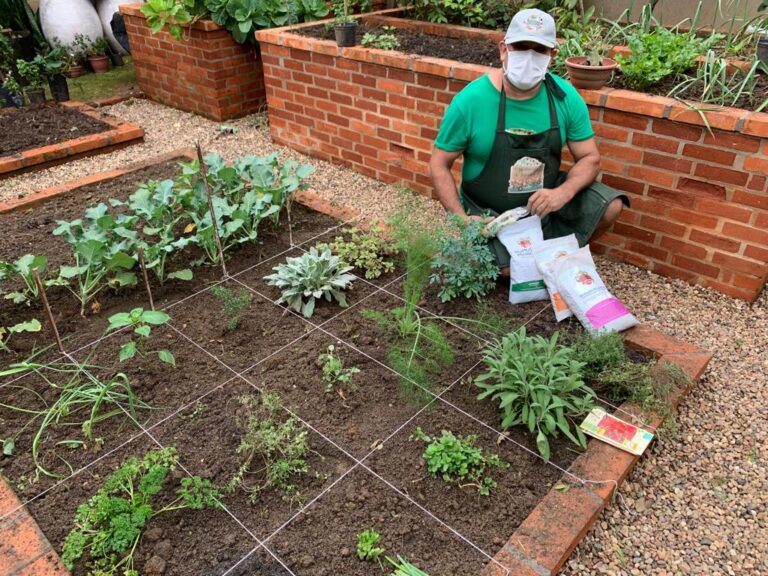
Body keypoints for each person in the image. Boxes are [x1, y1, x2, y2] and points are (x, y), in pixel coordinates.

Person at [428, 8, 628, 272]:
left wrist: (562, 193)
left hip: (545, 208)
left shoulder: (565, 98)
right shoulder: (471, 101)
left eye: (539, 49)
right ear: (503, 49)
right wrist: (461, 218)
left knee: (611, 206)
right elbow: (438, 163)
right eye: (521, 46)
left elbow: (590, 158)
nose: (529, 56)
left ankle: (554, 255)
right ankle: (536, 262)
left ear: (551, 56)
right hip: (491, 214)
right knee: (509, 271)